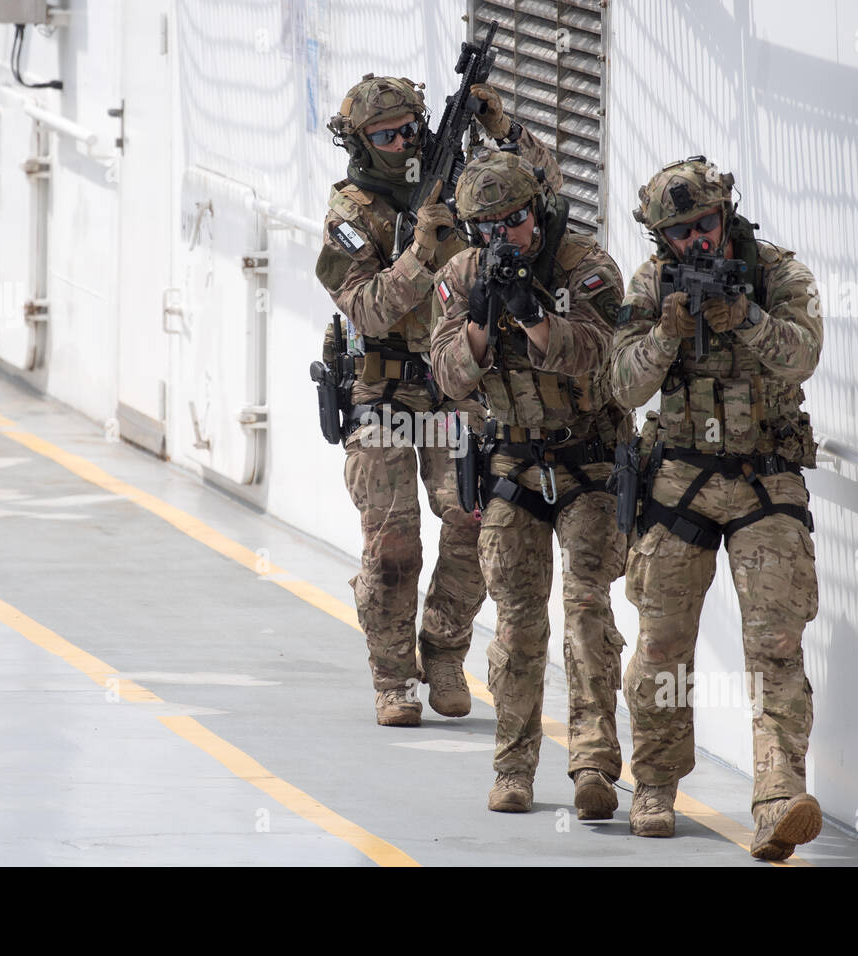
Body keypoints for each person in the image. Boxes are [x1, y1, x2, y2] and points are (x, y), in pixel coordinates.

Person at [315, 74, 559, 726]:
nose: (402, 143)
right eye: (386, 135)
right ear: (361, 143)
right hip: (384, 389)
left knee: (474, 520)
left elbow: (541, 193)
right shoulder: (354, 212)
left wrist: (502, 129)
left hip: (456, 386)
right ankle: (392, 676)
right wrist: (422, 252)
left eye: (410, 129)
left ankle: (446, 651)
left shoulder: (458, 186)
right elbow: (366, 306)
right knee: (393, 544)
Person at [608, 155, 823, 860]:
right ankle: (656, 785)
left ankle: (777, 799)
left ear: (725, 214)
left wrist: (749, 320)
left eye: (705, 224)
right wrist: (668, 332)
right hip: (680, 482)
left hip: (766, 478)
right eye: (681, 233)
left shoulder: (775, 273)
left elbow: (802, 356)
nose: (697, 241)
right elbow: (623, 386)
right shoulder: (650, 285)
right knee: (664, 645)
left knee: (776, 647)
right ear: (660, 237)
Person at [430, 151, 628, 818]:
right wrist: (483, 325)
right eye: (484, 226)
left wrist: (536, 317)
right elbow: (446, 379)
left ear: (536, 215)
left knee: (586, 611)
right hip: (513, 462)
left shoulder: (587, 267)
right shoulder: (460, 274)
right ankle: (513, 769)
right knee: (516, 624)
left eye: (511, 222)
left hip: (588, 462)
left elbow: (606, 369)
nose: (499, 237)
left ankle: (594, 763)